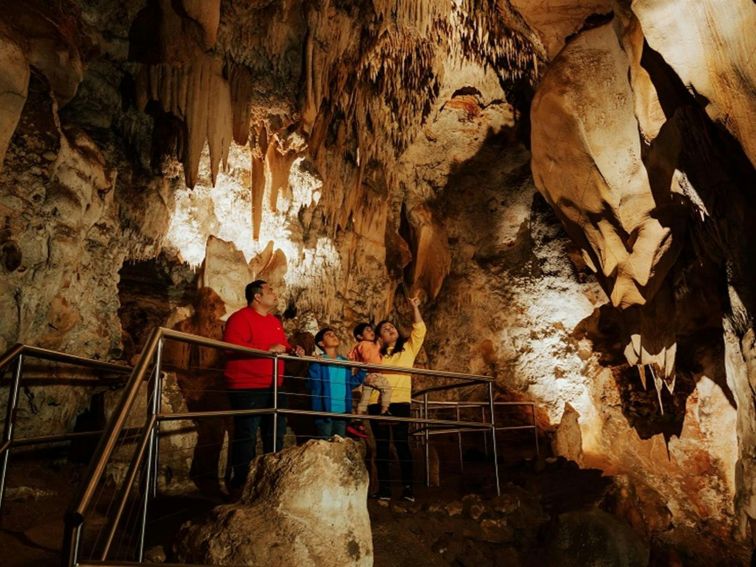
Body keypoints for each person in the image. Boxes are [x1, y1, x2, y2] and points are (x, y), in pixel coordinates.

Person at [223, 279, 304, 491]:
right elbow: (231, 347)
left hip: (274, 384)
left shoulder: (274, 321)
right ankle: (241, 484)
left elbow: (281, 346)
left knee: (275, 432)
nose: (274, 293)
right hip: (247, 384)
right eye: (270, 290)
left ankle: (271, 481)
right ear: (257, 296)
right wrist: (267, 348)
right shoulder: (239, 318)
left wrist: (293, 349)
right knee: (247, 434)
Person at [162, 287, 231, 498]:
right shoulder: (184, 327)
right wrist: (188, 383)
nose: (213, 311)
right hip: (196, 386)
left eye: (215, 306)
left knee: (223, 430)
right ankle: (205, 477)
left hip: (220, 387)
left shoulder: (223, 328)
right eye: (209, 306)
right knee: (212, 430)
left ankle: (228, 478)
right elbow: (173, 360)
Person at [369, 296, 425, 502]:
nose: (390, 329)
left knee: (401, 443)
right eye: (385, 329)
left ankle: (408, 489)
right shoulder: (375, 354)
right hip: (377, 402)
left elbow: (419, 331)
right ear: (379, 337)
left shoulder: (408, 349)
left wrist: (414, 308)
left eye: (392, 326)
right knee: (382, 445)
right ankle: (384, 489)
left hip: (400, 402)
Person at [308, 328, 365, 439]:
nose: (333, 336)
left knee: (339, 444)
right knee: (324, 443)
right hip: (325, 411)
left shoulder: (344, 361)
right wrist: (314, 363)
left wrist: (363, 371)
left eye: (334, 334)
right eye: (329, 335)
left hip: (342, 412)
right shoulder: (319, 361)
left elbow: (349, 383)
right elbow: (313, 384)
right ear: (321, 343)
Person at [346, 323, 392, 438]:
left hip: (365, 375)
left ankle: (357, 420)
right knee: (387, 388)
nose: (371, 331)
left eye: (372, 330)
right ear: (360, 336)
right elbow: (369, 358)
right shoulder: (365, 344)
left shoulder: (361, 345)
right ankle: (384, 411)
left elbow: (350, 356)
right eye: (367, 330)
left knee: (364, 399)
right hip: (373, 373)